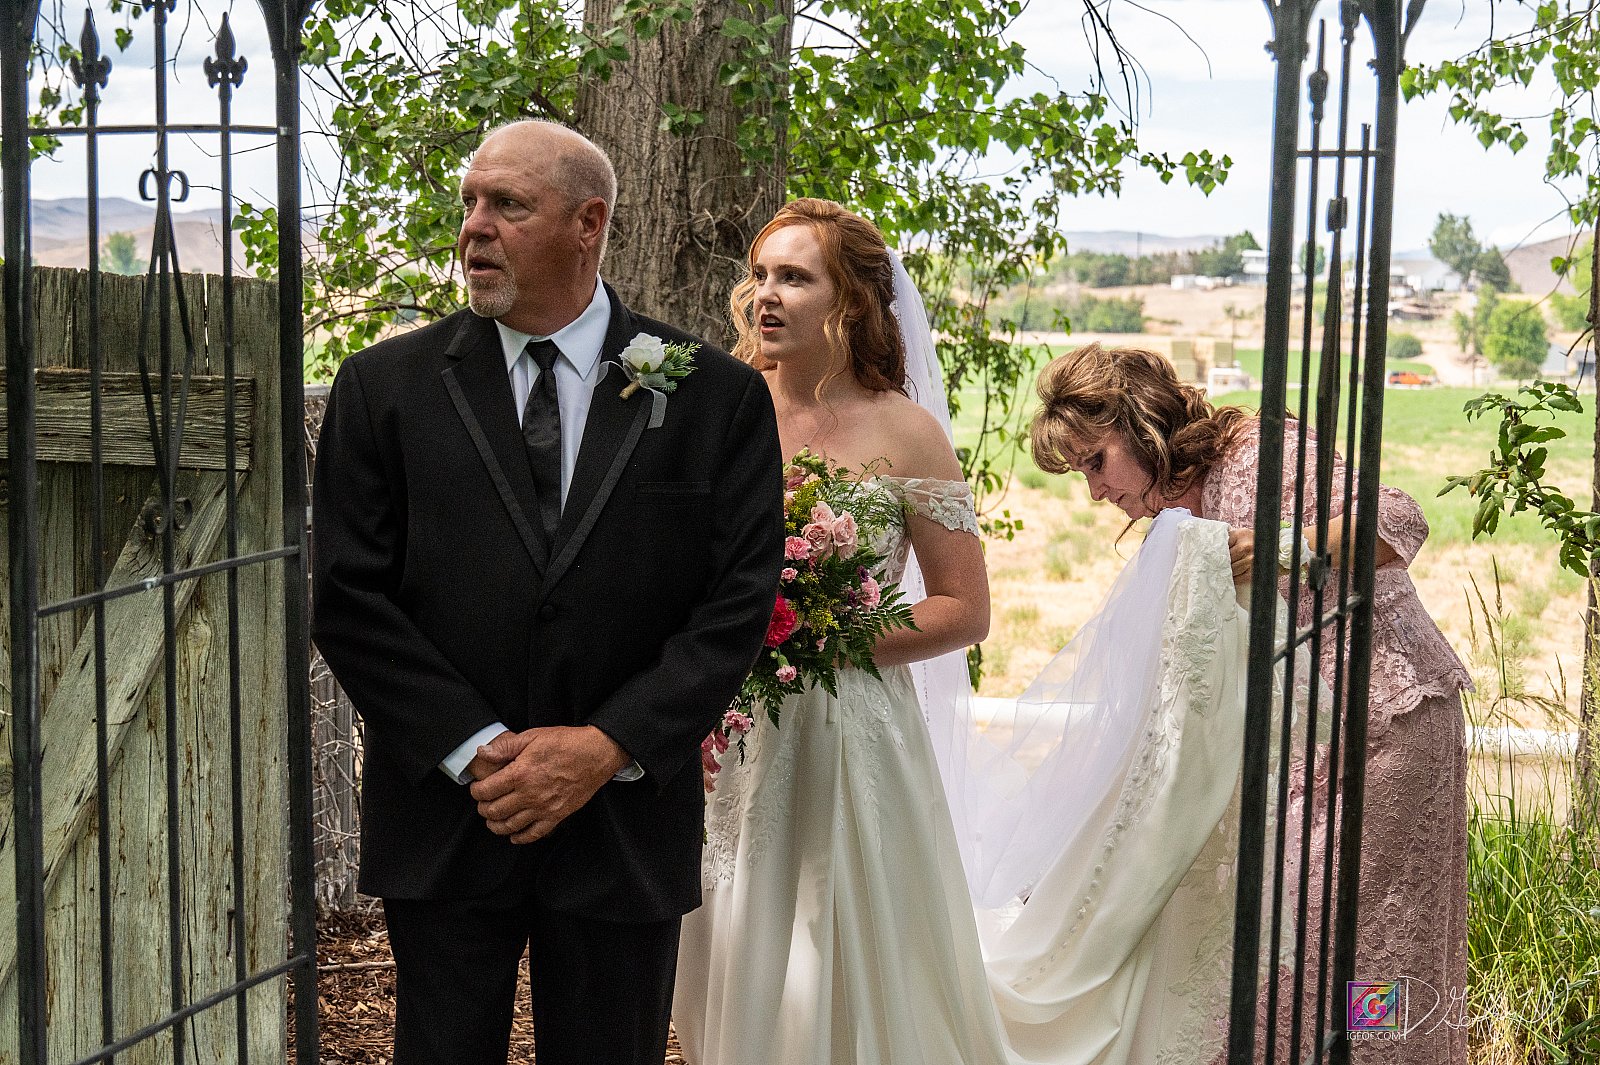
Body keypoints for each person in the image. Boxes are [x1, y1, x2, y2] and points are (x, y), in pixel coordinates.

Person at [673, 200, 1258, 1065]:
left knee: (847, 946)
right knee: (733, 942)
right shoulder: (718, 408)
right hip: (725, 721)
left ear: (851, 300)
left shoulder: (907, 431)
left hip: (850, 733)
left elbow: (963, 608)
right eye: (760, 275)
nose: (766, 294)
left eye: (794, 277)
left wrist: (821, 631)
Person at [311, 120, 785, 1065]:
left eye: (508, 205)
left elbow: (737, 602)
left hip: (623, 822)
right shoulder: (382, 387)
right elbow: (349, 597)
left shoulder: (716, 397)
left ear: (587, 224)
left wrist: (606, 746)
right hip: (450, 817)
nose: (474, 227)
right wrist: (477, 750)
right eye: (469, 203)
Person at [1029, 342, 1471, 1064]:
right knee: (1285, 942)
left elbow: (1400, 519)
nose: (1095, 491)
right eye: (1080, 472)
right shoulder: (1183, 506)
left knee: (1368, 945)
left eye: (1095, 461)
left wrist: (1284, 546)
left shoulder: (1257, 454)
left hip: (1385, 723)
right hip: (1307, 740)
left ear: (1141, 425)